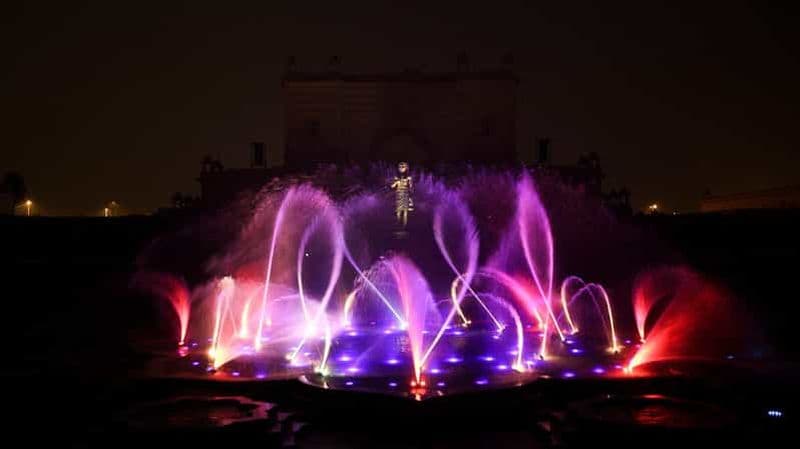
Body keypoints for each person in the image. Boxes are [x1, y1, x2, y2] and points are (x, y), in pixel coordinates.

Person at [390, 162, 413, 227]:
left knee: (405, 211)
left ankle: (405, 225)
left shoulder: (409, 178)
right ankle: (398, 224)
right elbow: (392, 186)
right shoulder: (396, 177)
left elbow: (411, 187)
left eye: (403, 167)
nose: (401, 168)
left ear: (406, 168)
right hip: (398, 194)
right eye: (400, 167)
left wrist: (410, 194)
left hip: (405, 194)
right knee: (398, 210)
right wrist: (396, 182)